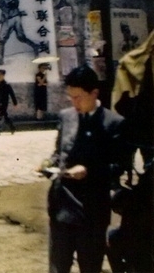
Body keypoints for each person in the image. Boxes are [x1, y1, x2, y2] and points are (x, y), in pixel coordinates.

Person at [38, 65, 128, 273]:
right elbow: (59, 153)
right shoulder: (66, 117)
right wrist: (49, 164)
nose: (74, 102)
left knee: (90, 266)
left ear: (94, 93)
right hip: (61, 207)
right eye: (71, 97)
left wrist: (89, 171)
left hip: (91, 213)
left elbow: (118, 167)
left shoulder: (113, 123)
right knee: (58, 267)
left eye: (78, 97)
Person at [0, 0, 39, 65]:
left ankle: (0, 59)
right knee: (11, 38)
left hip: (12, 19)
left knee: (11, 38)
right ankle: (0, 59)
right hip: (12, 19)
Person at [0, 69, 17, 134]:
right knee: (4, 116)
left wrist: (15, 103)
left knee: (0, 116)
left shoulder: (7, 85)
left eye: (1, 75)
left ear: (4, 76)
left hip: (4, 102)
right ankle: (12, 128)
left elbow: (12, 94)